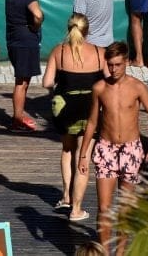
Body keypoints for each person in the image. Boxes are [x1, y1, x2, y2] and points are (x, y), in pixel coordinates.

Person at [78, 41, 148, 254]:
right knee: (104, 208)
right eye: (110, 65)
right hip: (106, 148)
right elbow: (92, 122)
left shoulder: (137, 87)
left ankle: (121, 252)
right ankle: (104, 252)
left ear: (126, 62)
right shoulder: (99, 88)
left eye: (118, 64)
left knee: (124, 210)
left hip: (131, 150)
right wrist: (83, 154)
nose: (114, 69)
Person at [42, 13, 107, 222]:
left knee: (67, 149)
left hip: (65, 107)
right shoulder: (99, 53)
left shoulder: (59, 51)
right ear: (87, 31)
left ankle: (66, 196)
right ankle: (76, 209)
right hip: (90, 107)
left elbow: (46, 82)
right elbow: (108, 81)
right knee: (84, 154)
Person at [5, 0, 43, 131]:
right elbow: (38, 15)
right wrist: (35, 26)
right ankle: (18, 118)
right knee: (22, 82)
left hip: (14, 41)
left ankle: (18, 117)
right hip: (26, 42)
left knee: (22, 81)